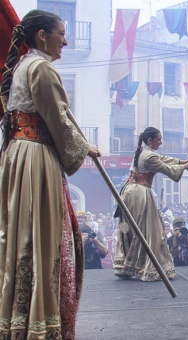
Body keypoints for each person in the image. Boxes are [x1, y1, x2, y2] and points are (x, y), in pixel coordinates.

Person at [0, 9, 101, 339]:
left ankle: (18, 317)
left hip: (18, 154)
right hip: (35, 156)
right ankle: (39, 323)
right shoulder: (41, 68)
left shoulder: (22, 66)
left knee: (22, 236)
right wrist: (83, 147)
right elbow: (57, 119)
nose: (66, 40)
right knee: (41, 237)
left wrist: (82, 143)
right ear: (42, 36)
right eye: (60, 33)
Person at [113, 127, 188, 281]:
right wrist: (185, 167)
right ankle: (147, 267)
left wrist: (180, 161)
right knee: (148, 230)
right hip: (140, 193)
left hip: (130, 192)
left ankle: (125, 264)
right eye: (158, 139)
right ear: (150, 140)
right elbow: (166, 169)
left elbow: (163, 159)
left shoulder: (142, 152)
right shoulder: (149, 157)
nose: (161, 142)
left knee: (130, 228)